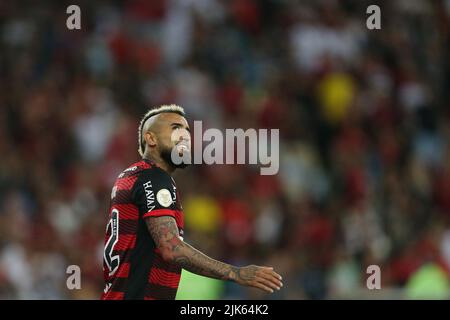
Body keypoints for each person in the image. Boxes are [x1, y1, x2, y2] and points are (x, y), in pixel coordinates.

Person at [101, 104, 283, 300]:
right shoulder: (154, 178)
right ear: (151, 138)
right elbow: (171, 248)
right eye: (174, 129)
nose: (184, 137)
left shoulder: (131, 176)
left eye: (186, 131)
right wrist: (236, 273)